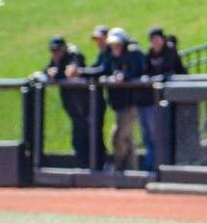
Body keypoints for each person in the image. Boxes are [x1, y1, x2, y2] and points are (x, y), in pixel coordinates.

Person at [84, 27, 146, 172]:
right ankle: (132, 171)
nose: (115, 47)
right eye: (112, 44)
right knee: (128, 139)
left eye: (118, 44)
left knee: (117, 136)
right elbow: (102, 69)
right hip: (119, 105)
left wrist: (126, 75)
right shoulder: (111, 56)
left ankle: (118, 168)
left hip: (131, 104)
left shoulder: (133, 53)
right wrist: (81, 72)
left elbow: (140, 69)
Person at [140, 26, 188, 171]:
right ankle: (154, 166)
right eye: (152, 40)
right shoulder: (150, 54)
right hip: (157, 99)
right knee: (153, 134)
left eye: (157, 39)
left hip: (175, 97)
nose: (155, 42)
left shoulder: (170, 51)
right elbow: (146, 71)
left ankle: (170, 164)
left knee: (172, 132)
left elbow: (169, 70)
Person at [65, 25, 110, 168]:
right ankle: (96, 164)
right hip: (98, 102)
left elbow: (102, 70)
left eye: (101, 38)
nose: (99, 42)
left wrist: (80, 72)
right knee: (90, 135)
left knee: (101, 135)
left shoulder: (110, 53)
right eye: (97, 39)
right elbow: (95, 68)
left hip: (109, 102)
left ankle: (102, 164)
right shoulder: (102, 53)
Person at [40, 36, 89, 164]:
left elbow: (71, 72)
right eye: (53, 50)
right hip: (72, 104)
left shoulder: (74, 55)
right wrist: (49, 72)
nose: (55, 53)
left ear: (64, 49)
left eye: (58, 50)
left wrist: (56, 74)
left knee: (87, 135)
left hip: (86, 104)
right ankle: (83, 164)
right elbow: (46, 70)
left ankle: (92, 166)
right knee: (78, 135)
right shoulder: (56, 59)